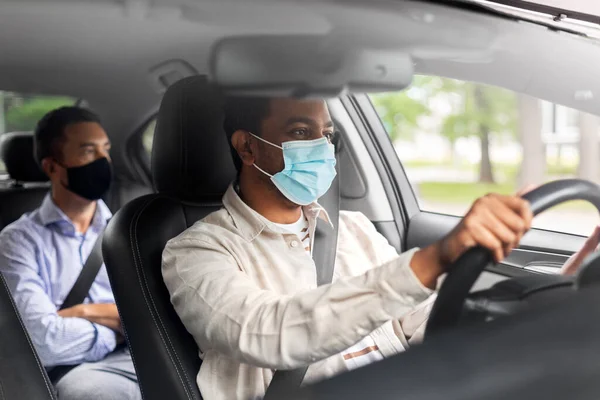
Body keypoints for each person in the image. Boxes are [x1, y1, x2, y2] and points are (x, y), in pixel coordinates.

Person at [161, 97, 597, 400]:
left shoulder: (352, 228)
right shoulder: (196, 252)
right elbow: (270, 333)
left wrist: (555, 296)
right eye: (300, 131)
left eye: (326, 134)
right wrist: (434, 258)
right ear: (248, 146)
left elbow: (420, 321)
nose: (321, 146)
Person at [0, 107, 141, 400]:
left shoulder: (131, 228)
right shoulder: (17, 241)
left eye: (106, 150)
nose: (103, 161)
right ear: (52, 167)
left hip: (147, 355)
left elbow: (157, 317)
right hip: (76, 368)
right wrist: (120, 329)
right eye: (89, 151)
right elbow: (42, 342)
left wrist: (81, 312)